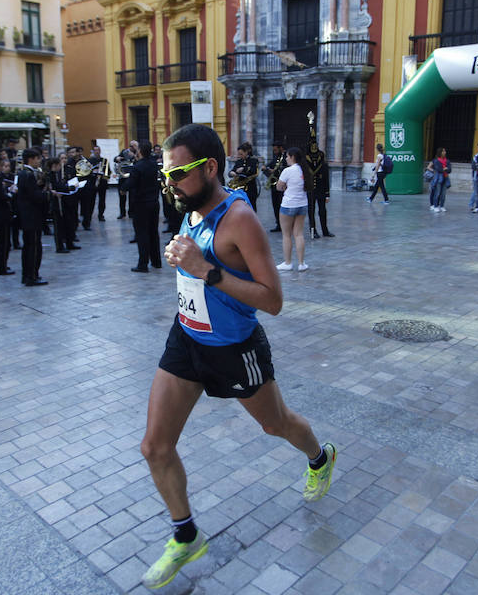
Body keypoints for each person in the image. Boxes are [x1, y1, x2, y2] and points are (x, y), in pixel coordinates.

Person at [140, 124, 336, 589]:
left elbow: (273, 300)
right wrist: (183, 259)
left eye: (178, 173)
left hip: (235, 349)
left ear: (210, 168)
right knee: (154, 447)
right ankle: (185, 535)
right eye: (166, 175)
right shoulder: (190, 207)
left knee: (276, 424)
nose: (170, 183)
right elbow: (194, 266)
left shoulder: (239, 218)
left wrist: (205, 270)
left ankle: (319, 457)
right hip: (187, 338)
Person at [129, 139, 162, 272]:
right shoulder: (154, 164)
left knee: (142, 234)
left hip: (141, 204)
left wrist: (123, 188)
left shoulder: (137, 166)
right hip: (154, 202)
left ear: (140, 151)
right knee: (153, 232)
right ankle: (156, 261)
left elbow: (131, 183)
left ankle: (143, 264)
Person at [16, 149, 48, 286]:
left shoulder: (23, 173)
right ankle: (32, 276)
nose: (39, 161)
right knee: (34, 247)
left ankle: (27, 275)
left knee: (28, 246)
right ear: (31, 159)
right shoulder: (28, 175)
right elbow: (34, 195)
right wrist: (47, 193)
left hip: (27, 216)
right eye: (38, 158)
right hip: (32, 215)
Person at [275, 147, 309, 272]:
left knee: (286, 235)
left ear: (292, 157)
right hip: (302, 204)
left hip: (289, 204)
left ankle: (288, 262)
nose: (286, 159)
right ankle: (301, 263)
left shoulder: (287, 171)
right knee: (299, 234)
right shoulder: (304, 170)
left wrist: (284, 187)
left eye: (287, 156)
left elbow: (279, 186)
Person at [228, 143, 260, 209]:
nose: (239, 156)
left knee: (252, 207)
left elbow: (254, 170)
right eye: (239, 154)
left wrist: (243, 169)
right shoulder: (239, 161)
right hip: (240, 189)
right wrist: (231, 173)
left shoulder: (254, 160)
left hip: (251, 188)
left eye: (241, 154)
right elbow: (233, 170)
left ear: (246, 152)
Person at [262, 142, 286, 232]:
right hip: (274, 185)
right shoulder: (276, 157)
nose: (274, 152)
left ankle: (285, 224)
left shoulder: (285, 158)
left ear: (281, 148)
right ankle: (278, 224)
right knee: (275, 205)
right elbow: (270, 165)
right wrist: (265, 168)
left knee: (282, 205)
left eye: (276, 150)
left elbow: (285, 169)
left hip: (282, 186)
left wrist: (274, 171)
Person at [114, 141, 138, 218]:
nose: (132, 147)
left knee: (132, 196)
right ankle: (122, 213)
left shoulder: (138, 153)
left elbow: (140, 161)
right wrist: (117, 158)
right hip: (123, 176)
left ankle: (131, 212)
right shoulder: (124, 152)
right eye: (131, 146)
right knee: (122, 195)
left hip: (132, 177)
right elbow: (115, 159)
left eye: (134, 146)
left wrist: (134, 156)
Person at [89, 145, 109, 222]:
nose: (97, 152)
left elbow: (108, 171)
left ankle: (101, 215)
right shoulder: (90, 160)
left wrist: (104, 176)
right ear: (93, 151)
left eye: (98, 150)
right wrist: (93, 172)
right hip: (92, 183)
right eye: (95, 150)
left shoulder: (104, 160)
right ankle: (89, 215)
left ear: (100, 151)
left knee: (102, 200)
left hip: (102, 183)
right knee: (91, 200)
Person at [428, 147, 451, 212]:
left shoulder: (447, 161)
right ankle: (435, 205)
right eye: (443, 151)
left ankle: (442, 206)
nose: (445, 152)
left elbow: (449, 170)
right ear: (440, 152)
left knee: (443, 194)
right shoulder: (436, 160)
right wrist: (436, 170)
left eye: (445, 151)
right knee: (437, 193)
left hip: (445, 178)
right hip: (437, 178)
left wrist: (444, 169)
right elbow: (438, 169)